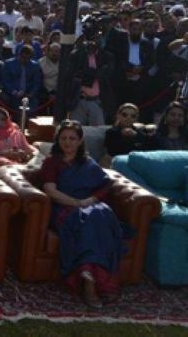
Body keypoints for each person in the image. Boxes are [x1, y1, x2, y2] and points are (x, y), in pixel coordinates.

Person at [35, 120, 125, 308]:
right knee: (89, 218)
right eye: (63, 138)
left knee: (101, 213)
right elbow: (50, 190)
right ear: (57, 140)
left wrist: (89, 201)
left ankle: (89, 274)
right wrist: (76, 203)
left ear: (80, 140)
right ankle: (91, 286)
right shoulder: (52, 162)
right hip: (64, 207)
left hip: (90, 204)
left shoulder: (88, 162)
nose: (67, 142)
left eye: (72, 138)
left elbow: (105, 184)